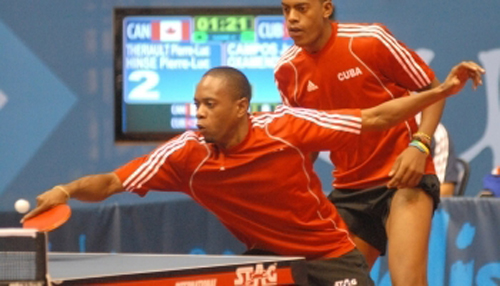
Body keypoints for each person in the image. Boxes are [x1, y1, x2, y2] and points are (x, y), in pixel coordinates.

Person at [23, 63, 483, 286]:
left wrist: (441, 90)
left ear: (241, 106)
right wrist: (64, 189)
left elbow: (377, 118)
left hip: (328, 253)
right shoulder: (185, 154)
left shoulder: (286, 129)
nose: (198, 113)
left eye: (209, 105)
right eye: (196, 103)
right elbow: (111, 182)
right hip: (267, 259)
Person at [275, 0, 471, 285]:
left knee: (407, 281)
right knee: (331, 280)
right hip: (349, 189)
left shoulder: (369, 41)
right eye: (286, 9)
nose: (292, 18)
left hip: (403, 178)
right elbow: (306, 140)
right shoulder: (287, 71)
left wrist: (419, 145)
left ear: (326, 9)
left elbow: (432, 91)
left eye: (301, 8)